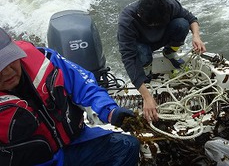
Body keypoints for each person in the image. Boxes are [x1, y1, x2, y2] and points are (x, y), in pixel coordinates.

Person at [0, 27, 140, 166]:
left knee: (128, 146)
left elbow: (83, 85)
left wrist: (110, 111)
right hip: (37, 162)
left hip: (75, 144)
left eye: (10, 58)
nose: (7, 72)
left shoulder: (44, 57)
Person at [117, 0, 206, 122]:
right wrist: (147, 97)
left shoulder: (169, 5)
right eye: (154, 25)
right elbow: (128, 58)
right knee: (142, 52)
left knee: (182, 23)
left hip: (162, 37)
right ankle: (146, 68)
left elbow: (192, 19)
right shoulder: (127, 21)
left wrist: (196, 36)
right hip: (141, 44)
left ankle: (169, 53)